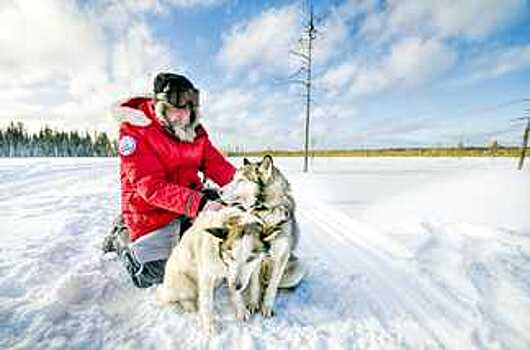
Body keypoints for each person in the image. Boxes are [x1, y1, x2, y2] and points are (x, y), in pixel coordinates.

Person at [103, 72, 236, 288]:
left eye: (187, 109)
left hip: (186, 205)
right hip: (149, 213)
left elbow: (217, 165)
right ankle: (121, 235)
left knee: (208, 252)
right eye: (175, 109)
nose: (182, 116)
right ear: (160, 106)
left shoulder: (195, 131)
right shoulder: (134, 131)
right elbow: (151, 187)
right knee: (157, 274)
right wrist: (200, 204)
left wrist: (245, 186)